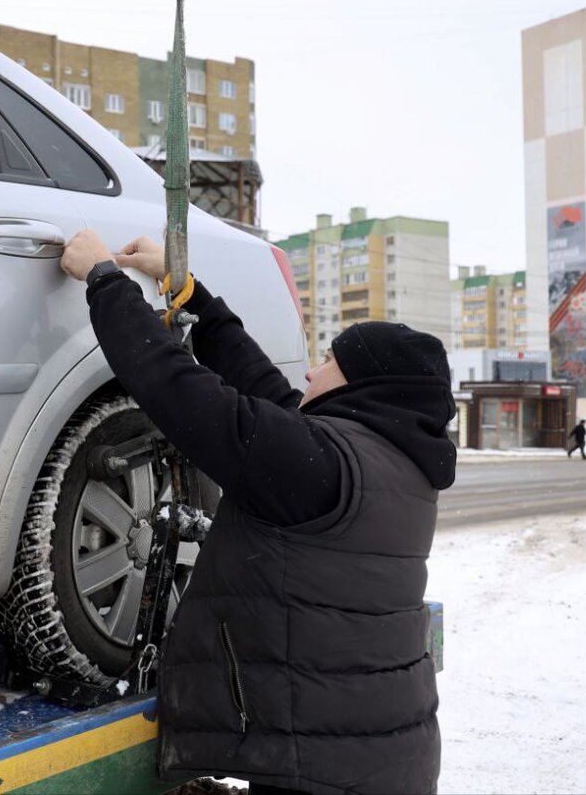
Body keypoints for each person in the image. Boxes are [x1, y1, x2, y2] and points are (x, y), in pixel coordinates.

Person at [60, 230, 456, 795]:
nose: (312, 372)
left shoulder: (320, 463)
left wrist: (104, 281)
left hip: (327, 770)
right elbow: (266, 392)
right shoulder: (393, 467)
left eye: (327, 361)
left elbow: (182, 393)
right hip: (366, 756)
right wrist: (194, 297)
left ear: (365, 384)